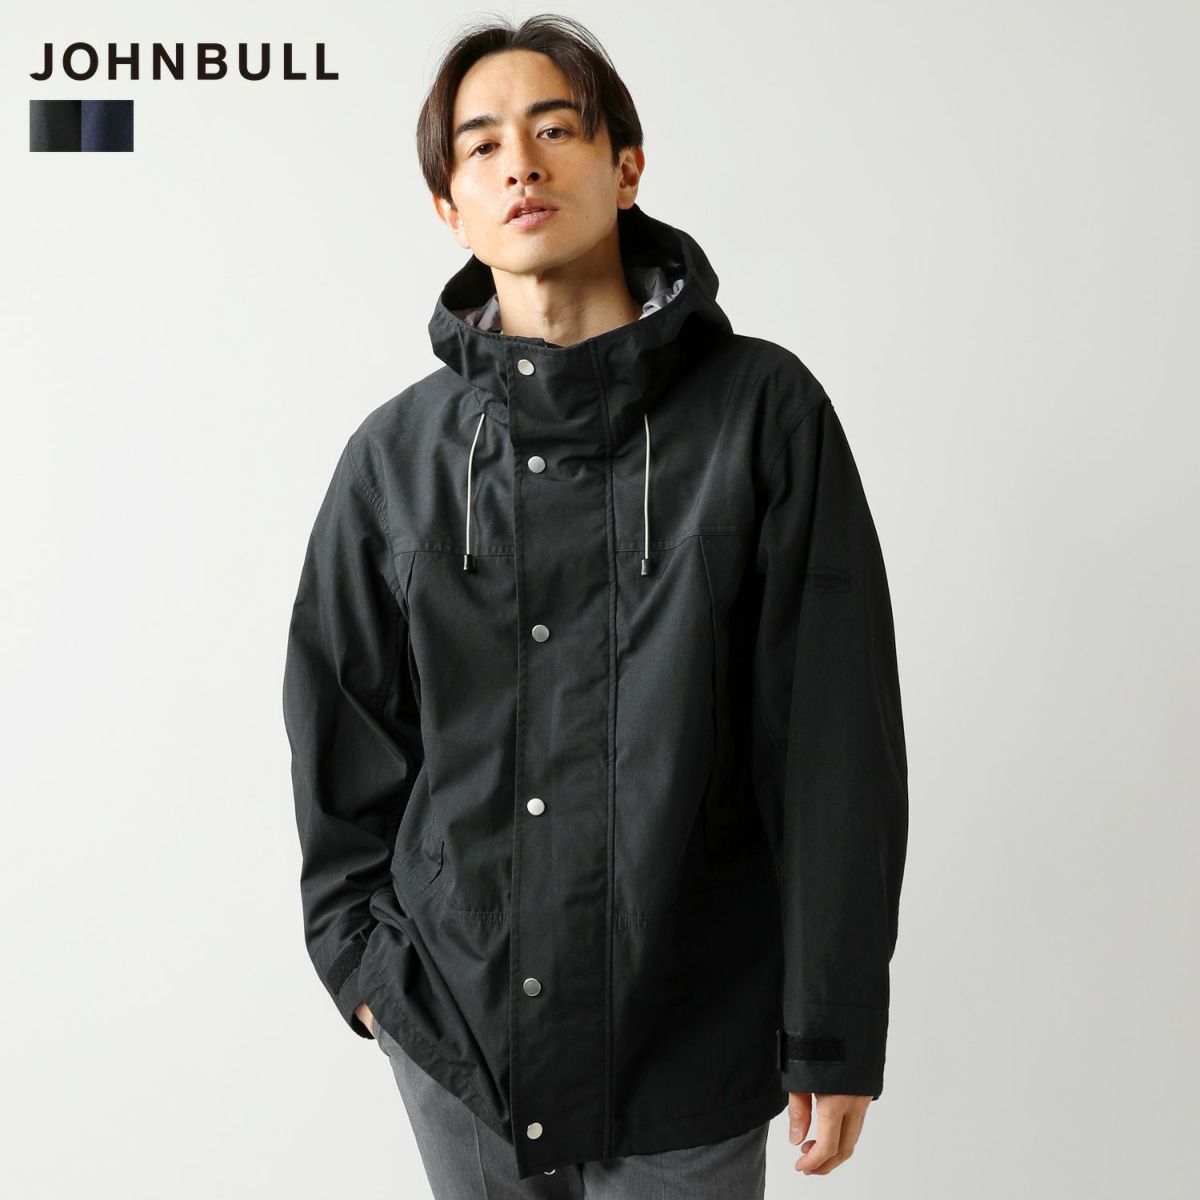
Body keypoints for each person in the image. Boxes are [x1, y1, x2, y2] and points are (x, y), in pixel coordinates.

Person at [282, 13, 909, 1197]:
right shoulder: (396, 460)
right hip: (460, 1043)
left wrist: (832, 1025)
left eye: (554, 129)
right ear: (450, 209)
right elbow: (342, 740)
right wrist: (369, 975)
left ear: (626, 168)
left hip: (694, 1034)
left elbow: (832, 739)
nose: (520, 163)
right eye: (481, 145)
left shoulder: (763, 416)